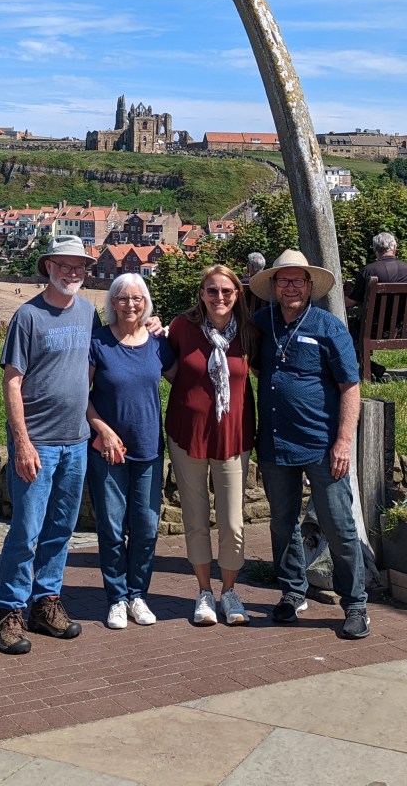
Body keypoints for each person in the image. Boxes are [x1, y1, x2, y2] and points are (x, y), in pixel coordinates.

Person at [249, 250, 369, 640]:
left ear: (310, 285)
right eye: (284, 280)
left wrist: (344, 442)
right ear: (273, 286)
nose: (291, 287)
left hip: (322, 446)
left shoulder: (328, 327)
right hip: (275, 444)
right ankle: (292, 591)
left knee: (339, 525)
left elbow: (350, 386)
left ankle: (355, 604)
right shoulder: (261, 323)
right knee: (282, 524)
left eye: (298, 280)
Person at [0, 234, 97, 655]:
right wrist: (22, 443)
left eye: (79, 267)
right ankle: (9, 611)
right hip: (38, 443)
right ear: (49, 268)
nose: (72, 273)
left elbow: (94, 362)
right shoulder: (28, 316)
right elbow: (12, 382)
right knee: (26, 531)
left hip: (77, 442)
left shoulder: (88, 312)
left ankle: (45, 602)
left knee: (61, 529)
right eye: (65, 265)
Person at [165, 263, 257, 626]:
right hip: (187, 433)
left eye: (227, 291)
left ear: (237, 295)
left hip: (233, 434)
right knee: (195, 518)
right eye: (212, 290)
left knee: (232, 521)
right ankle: (204, 591)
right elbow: (168, 366)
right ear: (201, 294)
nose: (220, 297)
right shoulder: (181, 327)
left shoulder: (249, 331)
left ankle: (229, 592)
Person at [86, 273, 176, 629]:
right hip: (108, 452)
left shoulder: (157, 343)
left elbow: (184, 378)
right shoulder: (99, 342)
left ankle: (138, 595)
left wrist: (171, 332)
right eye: (122, 298)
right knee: (111, 529)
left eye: (137, 298)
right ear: (112, 302)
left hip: (149, 449)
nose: (130, 304)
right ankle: (116, 599)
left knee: (147, 528)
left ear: (146, 303)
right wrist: (103, 430)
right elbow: (79, 395)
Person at [346, 232, 407, 380]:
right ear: (395, 247)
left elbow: (352, 302)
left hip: (372, 330)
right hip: (400, 329)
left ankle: (370, 366)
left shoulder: (369, 271)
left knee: (345, 328)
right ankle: (372, 367)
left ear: (375, 249)